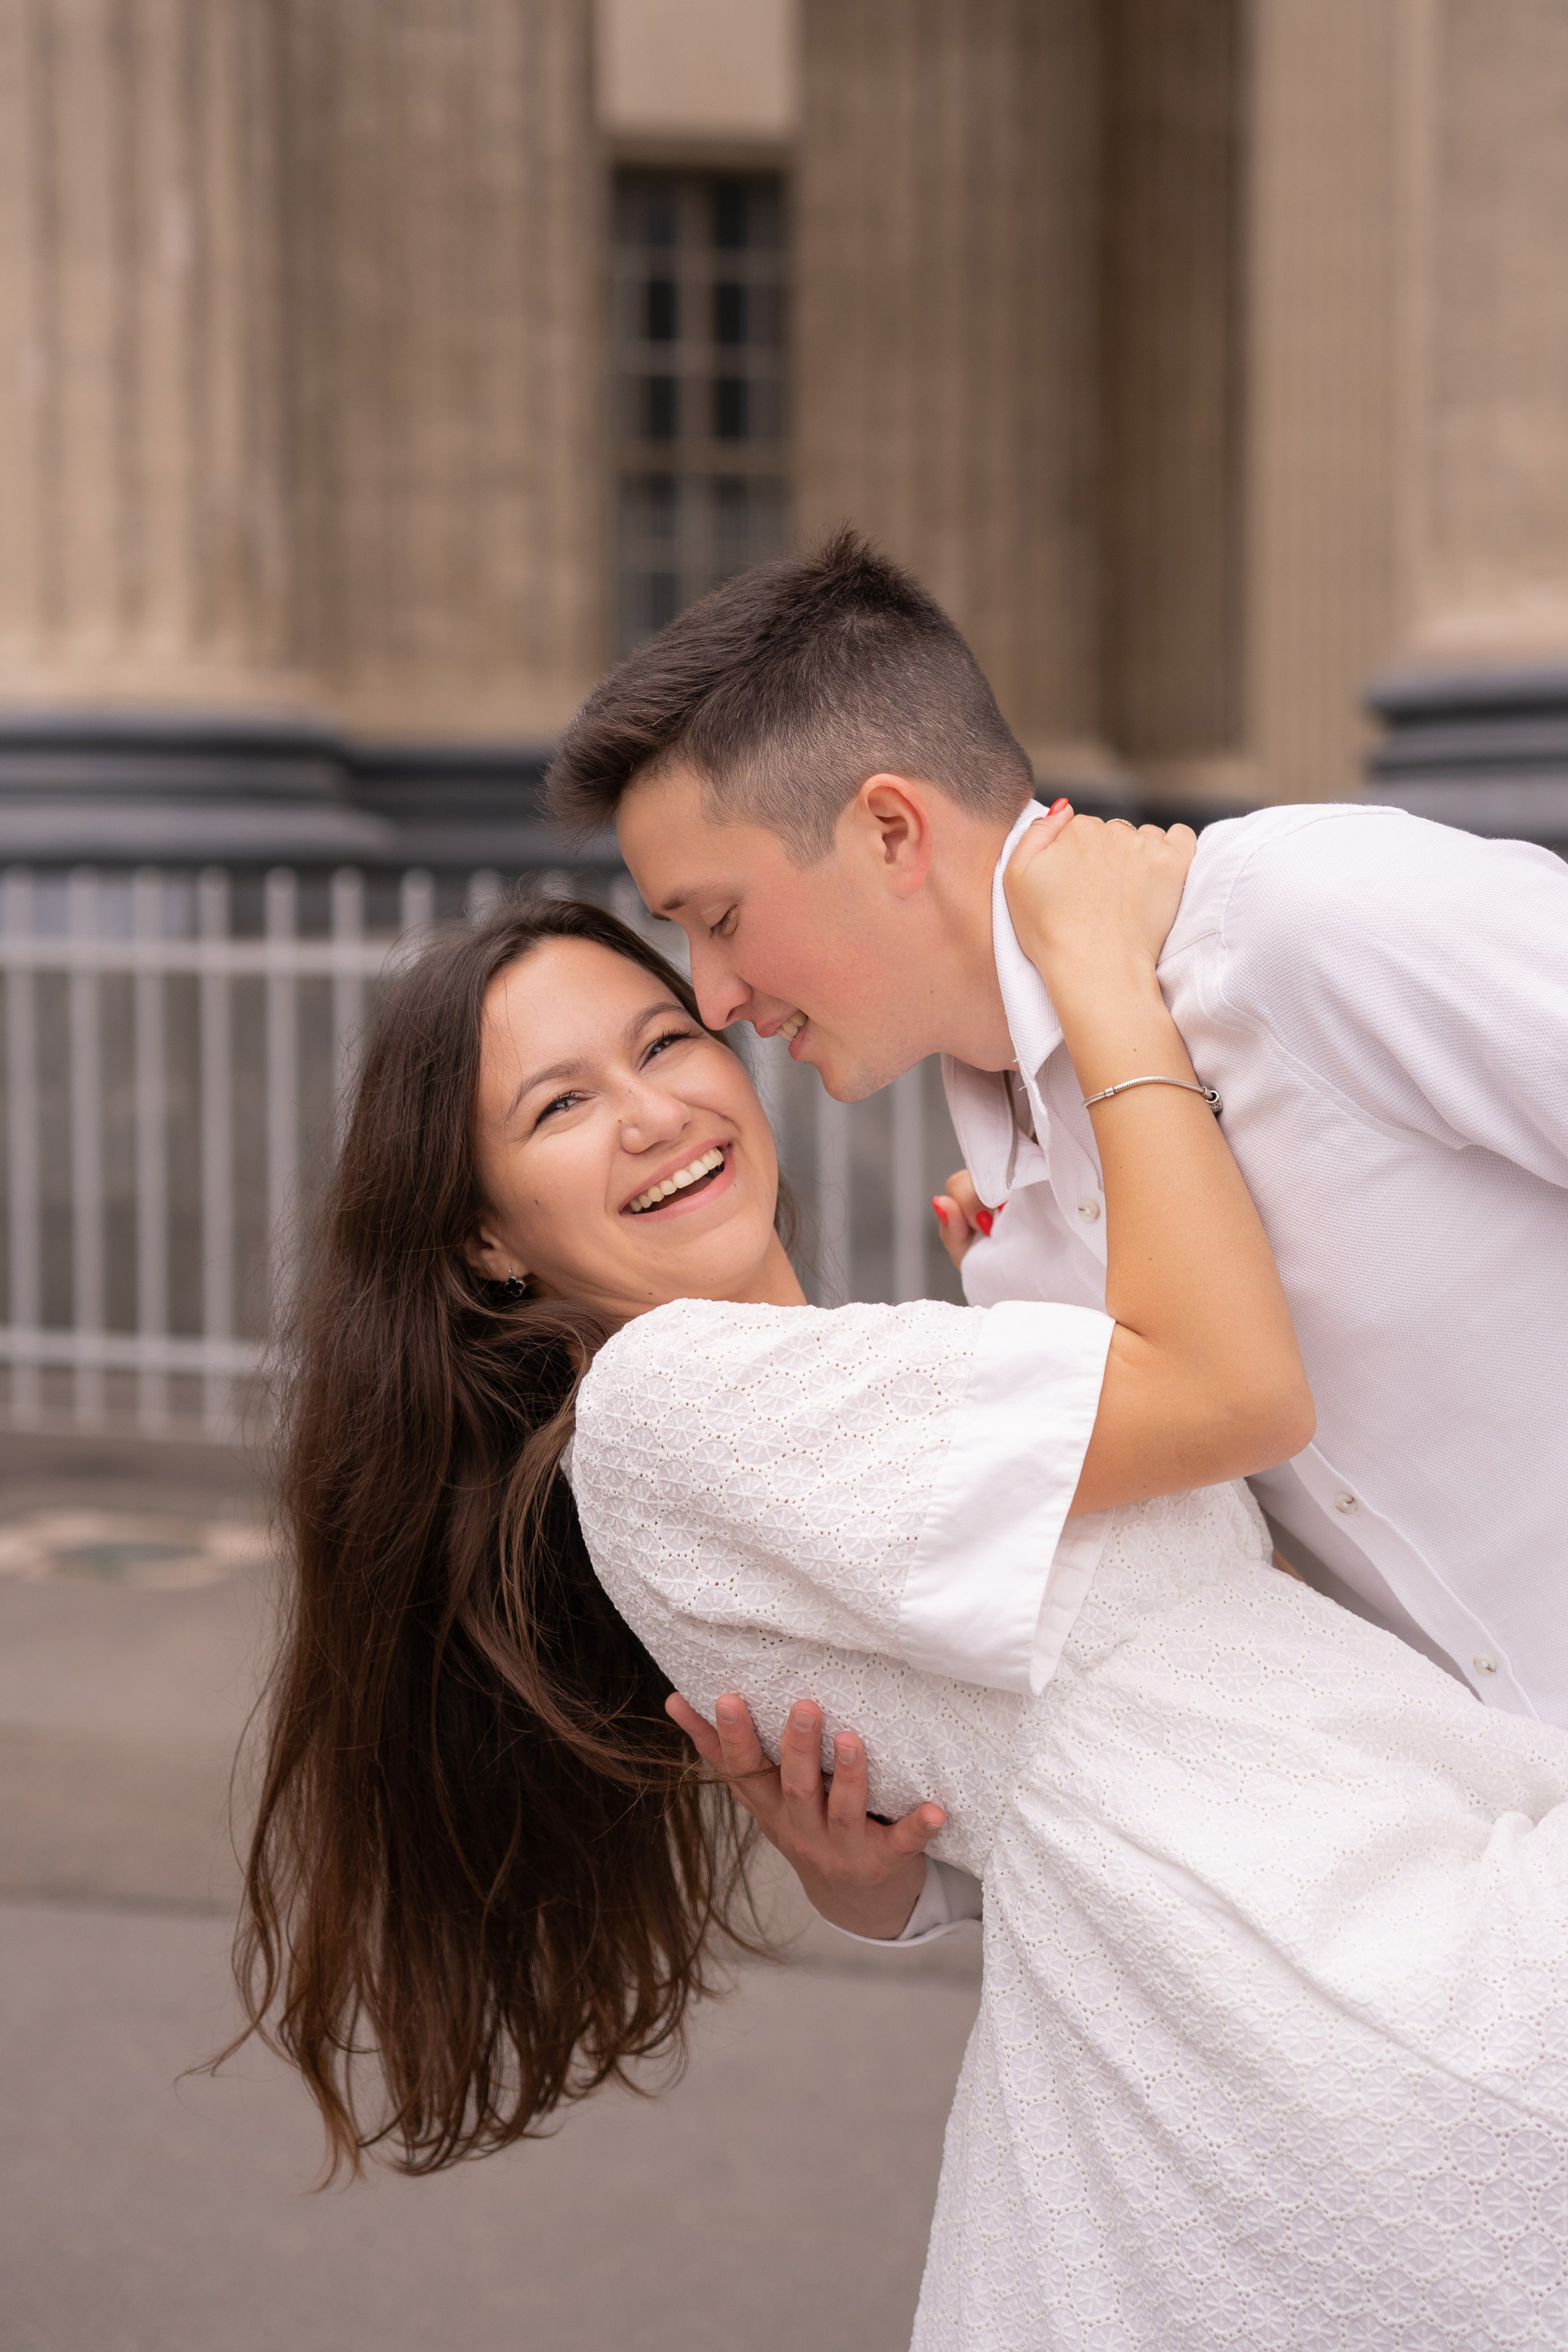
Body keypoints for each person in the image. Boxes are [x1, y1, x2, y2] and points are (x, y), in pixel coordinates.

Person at [236, 874, 1568, 2350]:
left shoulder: (817, 1388)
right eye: (557, 1108)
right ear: (485, 1242)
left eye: (664, 1042)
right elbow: (1236, 1398)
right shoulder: (670, 1406)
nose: (652, 1112)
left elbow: (1075, 1701)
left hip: (1314, 1942)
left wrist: (1034, 1293)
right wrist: (1104, 979)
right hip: (1346, 1961)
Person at [545, 526, 1568, 1946]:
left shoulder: (1299, 926)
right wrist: (892, 1885)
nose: (713, 995)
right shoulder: (1015, 1249)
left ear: (891, 831)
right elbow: (1184, 1673)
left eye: (718, 920)